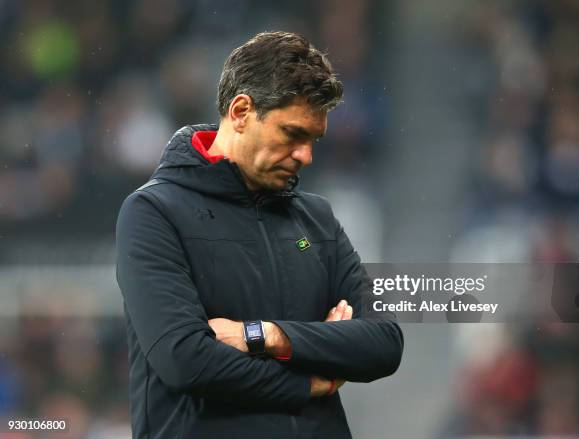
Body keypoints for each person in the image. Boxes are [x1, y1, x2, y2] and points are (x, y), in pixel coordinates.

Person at [116, 31, 404, 438]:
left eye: (313, 139)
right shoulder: (154, 213)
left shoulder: (316, 219)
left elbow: (384, 343)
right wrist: (308, 378)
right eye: (292, 134)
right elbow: (185, 360)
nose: (306, 155)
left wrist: (266, 336)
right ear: (240, 111)